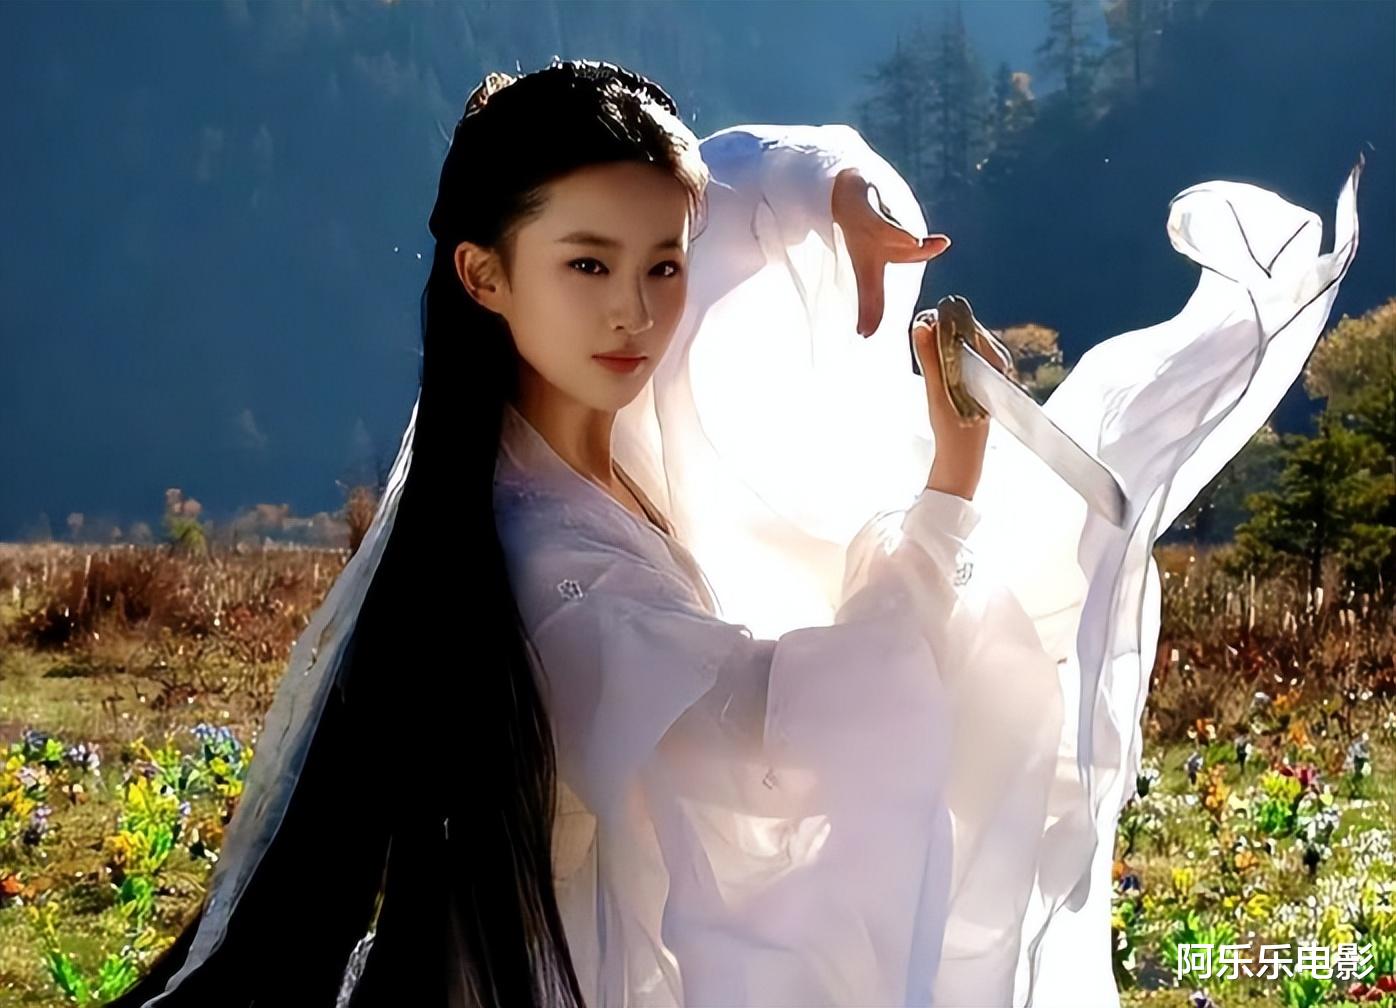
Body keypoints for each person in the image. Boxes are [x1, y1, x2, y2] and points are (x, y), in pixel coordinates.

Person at [113, 57, 1362, 1008]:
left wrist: (838, 194)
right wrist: (947, 496)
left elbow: (735, 174)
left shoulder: (577, 407)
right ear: (484, 275)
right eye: (588, 267)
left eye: (664, 266)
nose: (639, 311)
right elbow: (795, 736)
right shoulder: (548, 563)